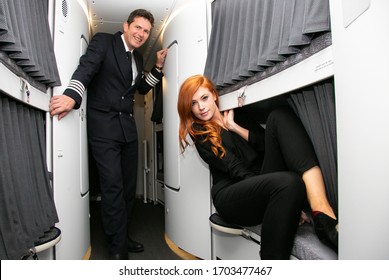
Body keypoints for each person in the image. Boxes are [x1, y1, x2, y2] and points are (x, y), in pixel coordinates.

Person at [49, 9, 168, 260]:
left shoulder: (137, 58)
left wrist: (157, 67)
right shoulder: (104, 41)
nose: (142, 34)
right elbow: (87, 68)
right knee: (112, 188)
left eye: (146, 31)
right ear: (126, 26)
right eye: (138, 28)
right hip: (103, 127)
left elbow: (142, 87)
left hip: (128, 131)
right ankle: (117, 249)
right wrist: (72, 95)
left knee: (126, 190)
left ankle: (122, 235)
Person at [177, 75, 338, 259]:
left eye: (204, 98)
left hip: (260, 178)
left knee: (279, 116)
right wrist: (284, 196)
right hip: (232, 195)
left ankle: (321, 211)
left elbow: (267, 143)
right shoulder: (200, 133)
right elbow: (237, 169)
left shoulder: (238, 117)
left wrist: (234, 127)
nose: (201, 107)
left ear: (213, 95)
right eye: (193, 104)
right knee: (289, 183)